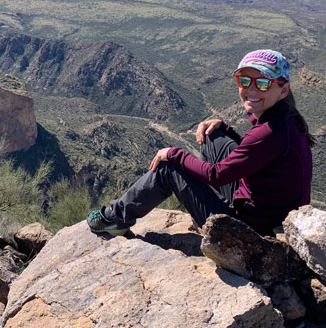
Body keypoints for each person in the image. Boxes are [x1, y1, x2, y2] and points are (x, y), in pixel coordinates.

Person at [87, 49, 314, 238]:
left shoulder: (269, 131)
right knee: (211, 136)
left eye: (263, 83)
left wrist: (175, 154)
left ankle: (114, 219)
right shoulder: (284, 117)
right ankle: (211, 200)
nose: (252, 89)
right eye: (245, 81)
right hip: (266, 208)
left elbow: (217, 175)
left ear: (283, 90)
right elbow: (258, 154)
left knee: (167, 168)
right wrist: (225, 129)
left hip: (248, 229)